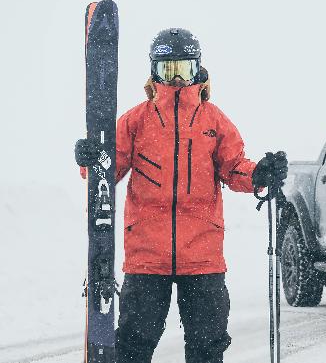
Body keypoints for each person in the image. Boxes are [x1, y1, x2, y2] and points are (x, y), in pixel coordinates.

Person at [75, 28, 288, 363]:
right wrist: (92, 158)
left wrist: (259, 173)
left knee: (208, 347)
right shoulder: (136, 121)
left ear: (198, 70)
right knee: (133, 345)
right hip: (147, 256)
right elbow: (105, 173)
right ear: (154, 72)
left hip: (203, 257)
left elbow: (234, 168)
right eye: (167, 70)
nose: (176, 80)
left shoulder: (213, 120)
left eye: (183, 69)